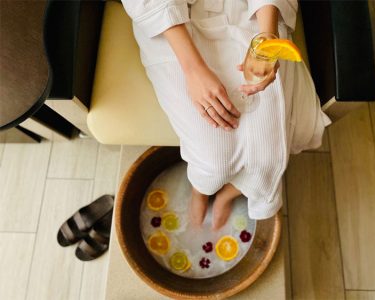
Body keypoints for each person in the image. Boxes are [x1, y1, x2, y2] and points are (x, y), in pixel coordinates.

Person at [120, 0, 331, 230]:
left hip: (247, 10)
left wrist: (265, 39)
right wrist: (193, 70)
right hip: (171, 24)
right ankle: (200, 190)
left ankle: (226, 196)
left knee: (268, 155)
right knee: (215, 160)